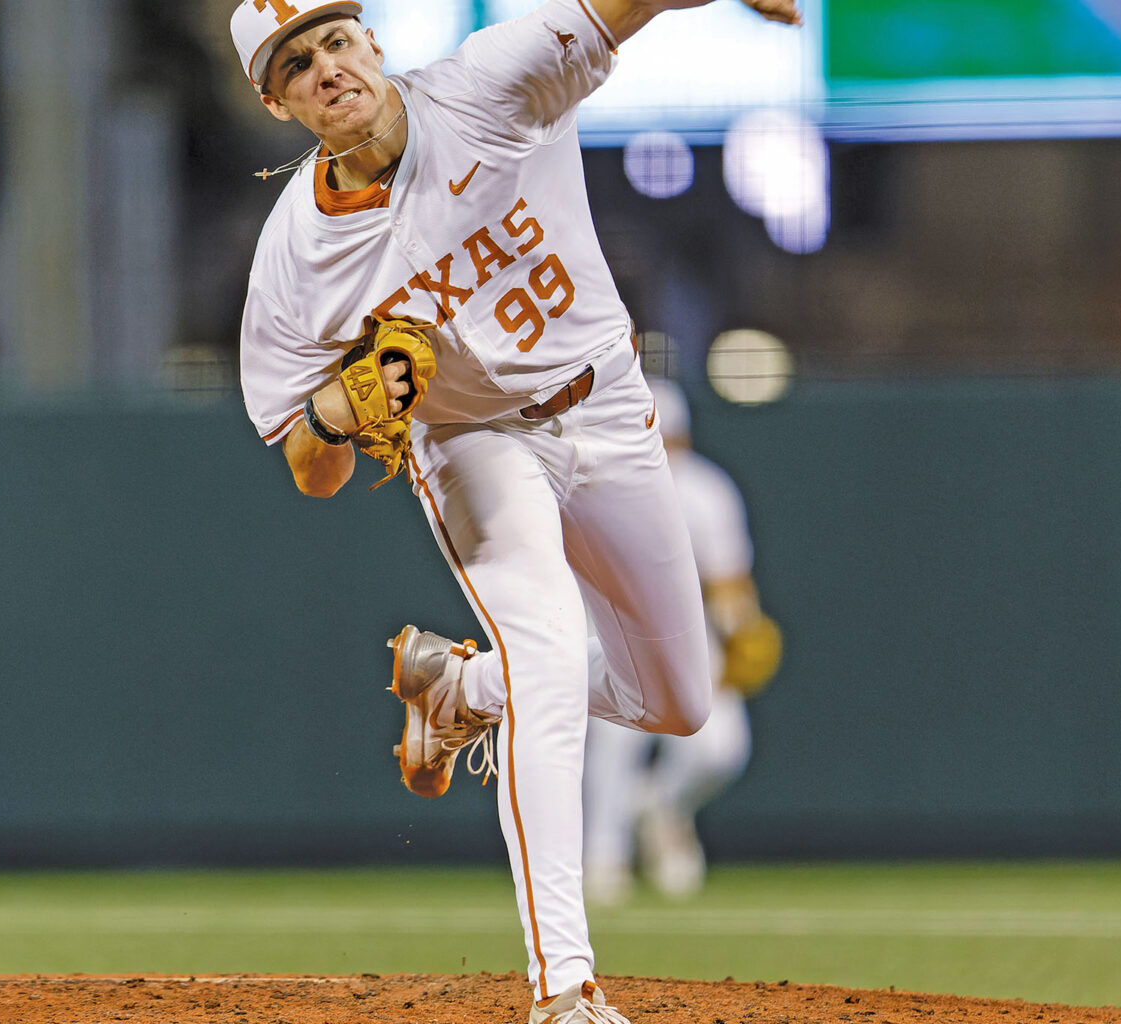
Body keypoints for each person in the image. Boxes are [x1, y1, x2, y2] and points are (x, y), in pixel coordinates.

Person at [228, 2, 800, 1021]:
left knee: (678, 701)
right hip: (476, 446)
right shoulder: (291, 263)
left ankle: (460, 688)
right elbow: (309, 469)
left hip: (609, 408)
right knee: (547, 647)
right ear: (274, 99)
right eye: (296, 62)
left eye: (335, 40)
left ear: (373, 41)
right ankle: (565, 992)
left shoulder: (488, 85)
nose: (327, 68)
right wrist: (339, 404)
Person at [583, 378, 782, 905]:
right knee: (614, 742)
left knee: (721, 749)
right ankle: (603, 856)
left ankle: (660, 808)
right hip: (607, 625)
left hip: (689, 632)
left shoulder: (704, 490)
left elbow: (728, 579)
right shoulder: (595, 480)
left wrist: (741, 626)